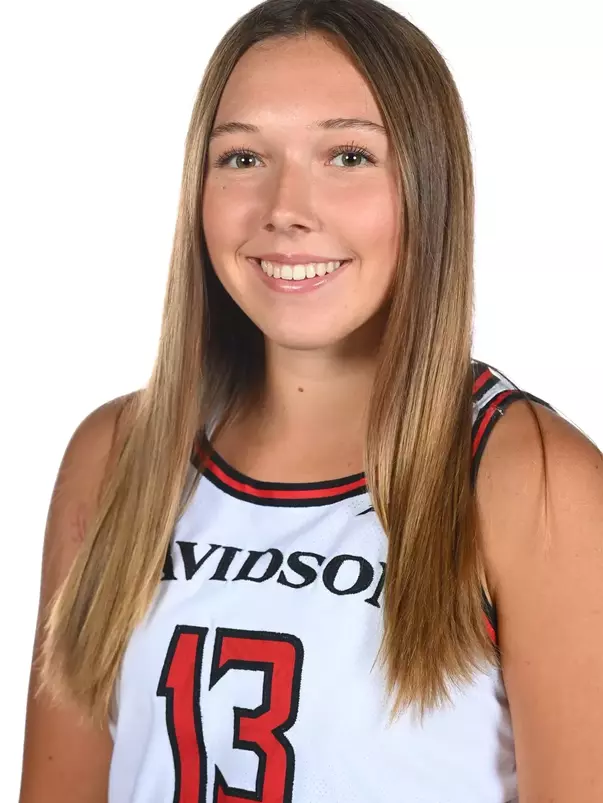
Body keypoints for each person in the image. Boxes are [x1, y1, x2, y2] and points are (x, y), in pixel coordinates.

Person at [19, 1, 603, 801]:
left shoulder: (529, 476)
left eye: (349, 155)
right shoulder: (118, 452)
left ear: (428, 186)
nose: (286, 208)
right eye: (241, 159)